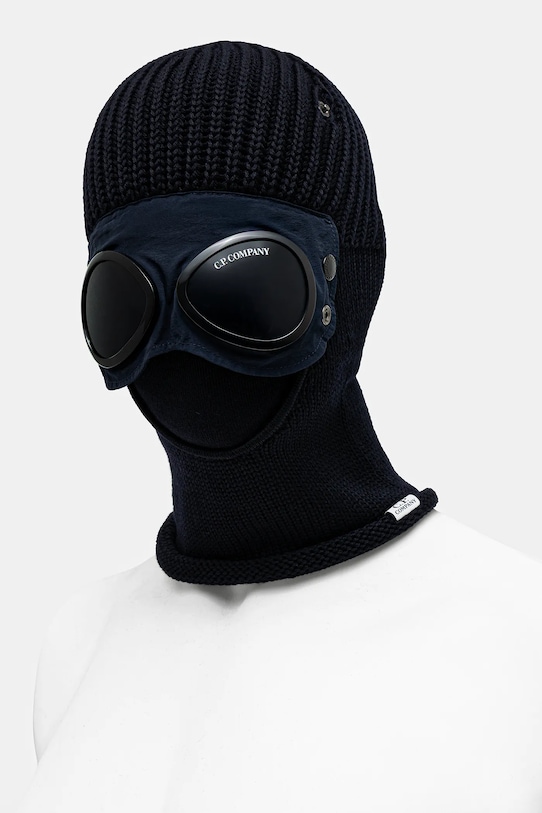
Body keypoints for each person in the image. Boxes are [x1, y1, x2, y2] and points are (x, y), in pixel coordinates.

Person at [17, 41, 542, 811]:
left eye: (242, 287)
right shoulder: (76, 640)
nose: (178, 350)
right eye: (127, 299)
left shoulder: (520, 638)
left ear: (351, 278)